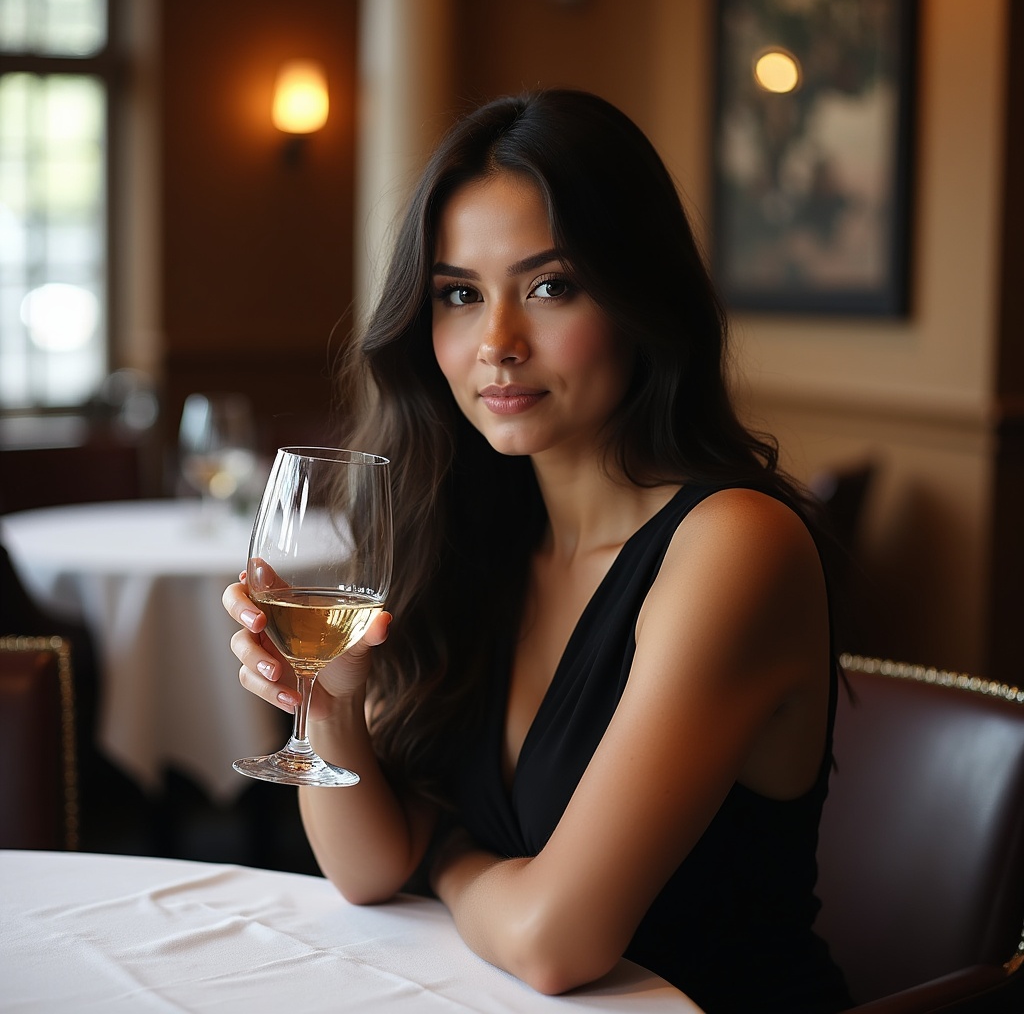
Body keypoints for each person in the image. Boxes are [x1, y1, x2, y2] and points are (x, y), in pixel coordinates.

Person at [224, 88, 852, 1013]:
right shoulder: (474, 531)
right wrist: (332, 702)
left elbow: (557, 944)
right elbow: (365, 870)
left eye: (551, 286)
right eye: (460, 296)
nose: (498, 344)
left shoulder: (733, 547)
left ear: (643, 298)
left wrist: (445, 851)